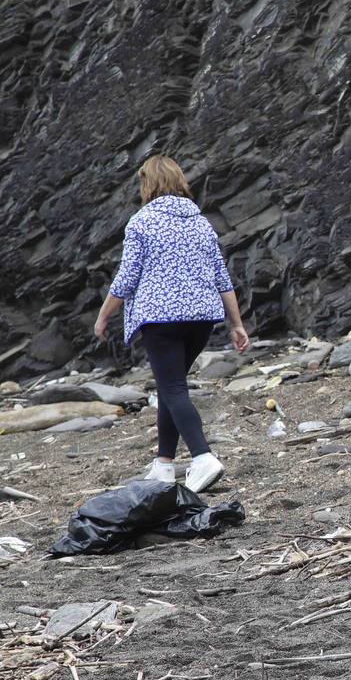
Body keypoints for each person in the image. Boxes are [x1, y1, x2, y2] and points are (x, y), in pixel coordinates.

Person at [93, 156, 249, 493]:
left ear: (147, 183)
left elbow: (128, 276)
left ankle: (202, 457)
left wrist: (104, 314)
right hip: (202, 318)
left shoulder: (141, 222)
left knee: (173, 387)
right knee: (171, 384)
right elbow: (222, 277)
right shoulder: (200, 223)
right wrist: (236, 324)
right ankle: (163, 465)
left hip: (161, 319)